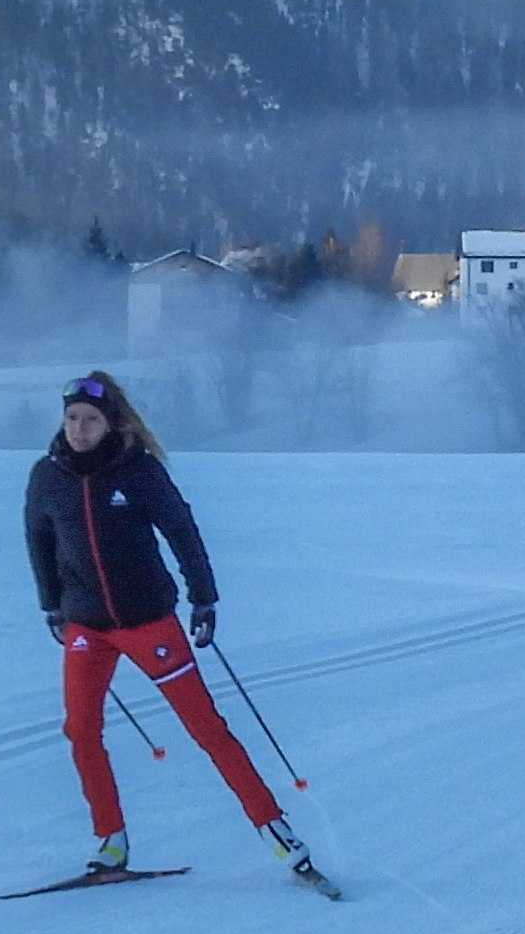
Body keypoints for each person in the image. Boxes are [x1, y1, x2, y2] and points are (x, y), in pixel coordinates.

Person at [23, 371, 321, 884]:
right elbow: (38, 539)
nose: (78, 429)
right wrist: (52, 605)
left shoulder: (137, 471)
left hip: (148, 622)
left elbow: (181, 530)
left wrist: (203, 598)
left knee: (205, 727)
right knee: (80, 729)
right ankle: (111, 843)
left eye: (90, 420)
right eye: (71, 419)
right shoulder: (47, 476)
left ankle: (276, 832)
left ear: (110, 423)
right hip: (86, 626)